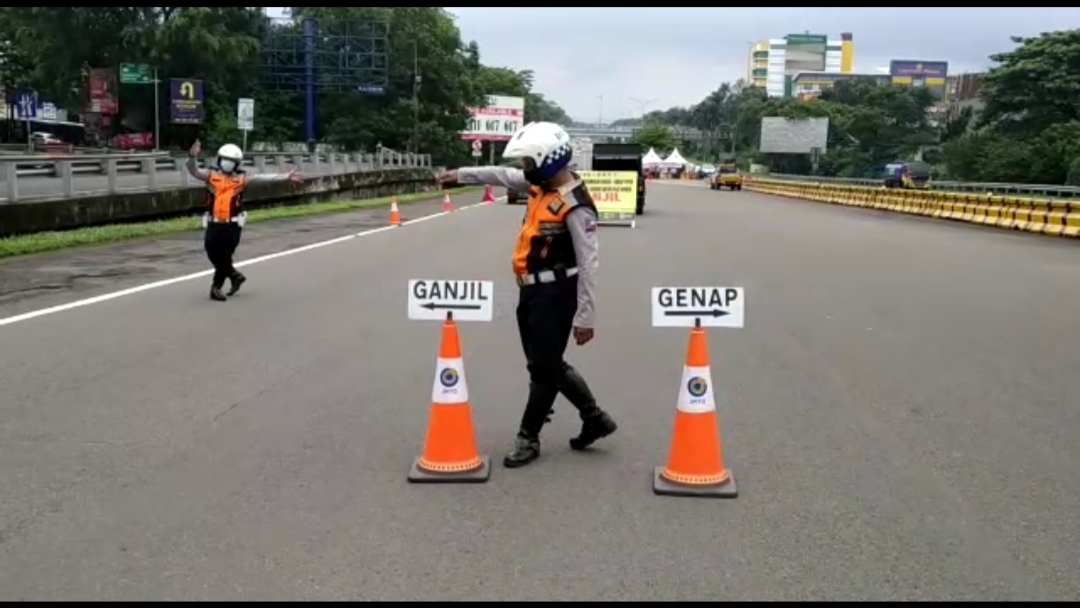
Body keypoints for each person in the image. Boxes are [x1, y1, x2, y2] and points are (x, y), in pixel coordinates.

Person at [437, 121, 617, 468]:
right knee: (545, 364)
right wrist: (458, 174)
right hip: (530, 291)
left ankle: (528, 436)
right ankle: (594, 418)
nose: (525, 171)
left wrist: (586, 315)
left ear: (550, 160)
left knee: (543, 368)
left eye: (530, 164)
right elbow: (499, 174)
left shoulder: (576, 205)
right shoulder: (539, 186)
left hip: (557, 291)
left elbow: (589, 263)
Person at [186, 140, 302, 301]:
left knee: (225, 255)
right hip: (214, 223)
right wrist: (192, 157)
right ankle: (234, 276)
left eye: (232, 162)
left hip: (232, 225)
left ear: (236, 164)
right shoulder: (210, 176)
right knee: (212, 253)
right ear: (219, 160)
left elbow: (263, 178)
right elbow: (193, 171)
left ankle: (216, 287)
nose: (228, 164)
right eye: (225, 160)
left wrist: (285, 177)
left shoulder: (241, 179)